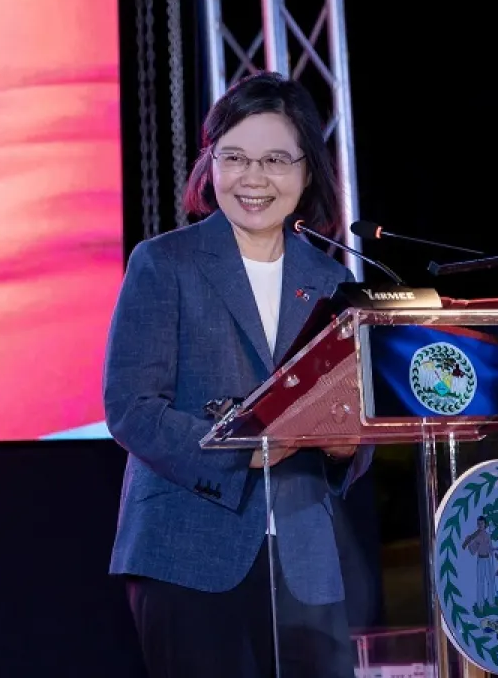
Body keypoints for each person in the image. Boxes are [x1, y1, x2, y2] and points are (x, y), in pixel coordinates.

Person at [103, 71, 372, 678]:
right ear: (210, 164)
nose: (254, 178)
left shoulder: (332, 283)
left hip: (305, 558)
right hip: (186, 551)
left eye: (276, 159)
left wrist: (347, 446)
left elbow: (349, 425)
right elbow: (130, 407)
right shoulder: (163, 263)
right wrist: (243, 451)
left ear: (307, 174)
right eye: (235, 157)